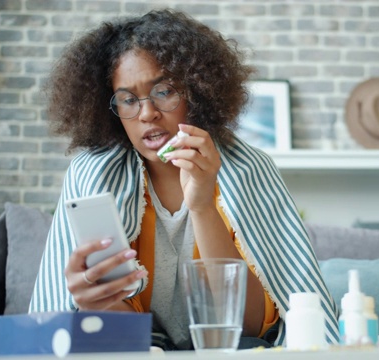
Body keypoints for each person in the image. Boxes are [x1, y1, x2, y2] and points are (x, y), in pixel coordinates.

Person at [29, 8, 339, 350]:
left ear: (196, 90)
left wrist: (203, 206)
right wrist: (92, 301)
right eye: (128, 99)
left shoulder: (251, 169)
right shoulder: (93, 174)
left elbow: (249, 327)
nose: (147, 113)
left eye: (163, 91)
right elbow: (123, 337)